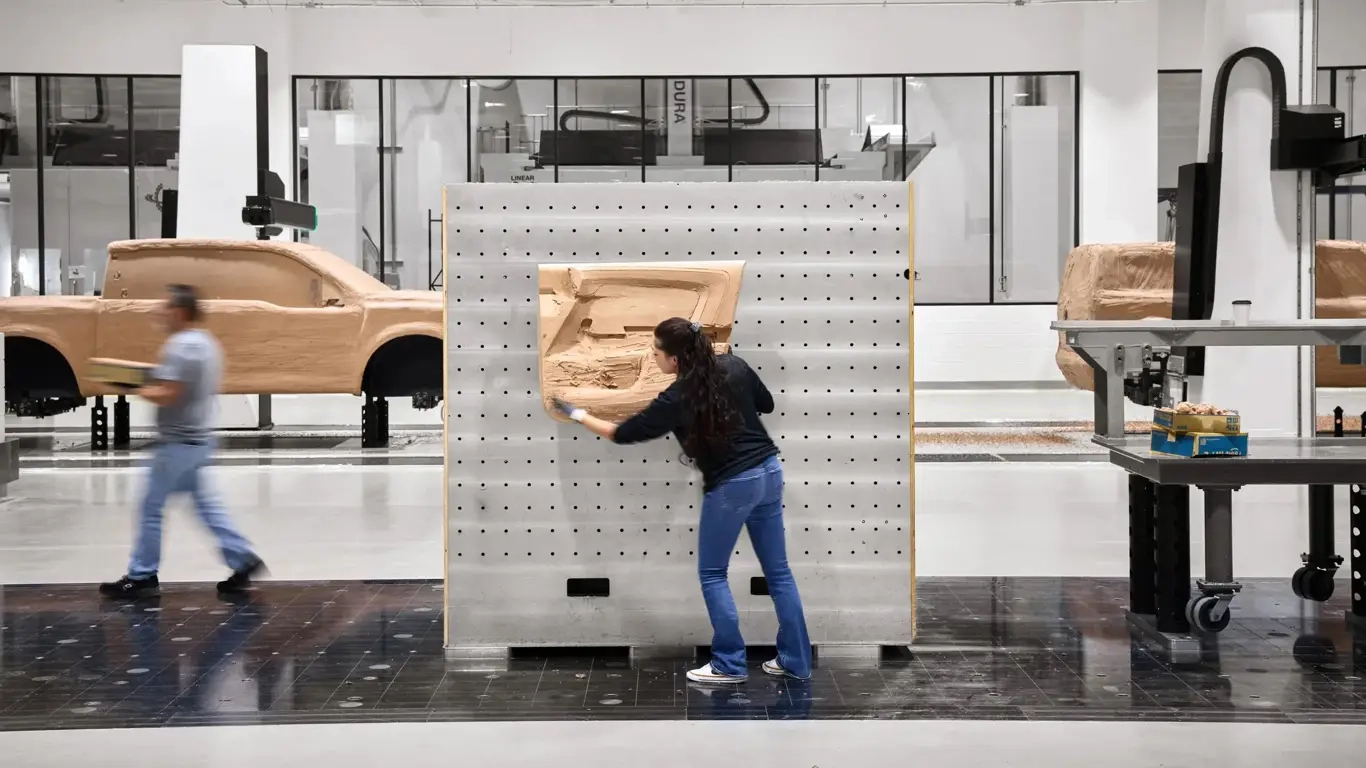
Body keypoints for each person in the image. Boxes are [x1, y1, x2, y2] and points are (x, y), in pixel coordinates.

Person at [553, 316, 810, 683]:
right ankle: (796, 661)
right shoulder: (734, 365)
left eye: (656, 352)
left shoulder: (676, 398)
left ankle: (729, 664)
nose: (652, 356)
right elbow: (765, 404)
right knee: (779, 573)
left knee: (713, 574)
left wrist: (577, 413)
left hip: (733, 484)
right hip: (769, 472)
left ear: (674, 359)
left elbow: (620, 434)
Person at [100, 284, 265, 599]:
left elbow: (168, 393)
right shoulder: (207, 343)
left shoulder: (180, 346)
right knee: (207, 507)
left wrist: (129, 387)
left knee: (150, 508)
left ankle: (142, 575)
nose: (160, 313)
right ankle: (242, 558)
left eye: (165, 308)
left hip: (177, 446)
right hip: (199, 441)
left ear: (179, 311)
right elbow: (176, 382)